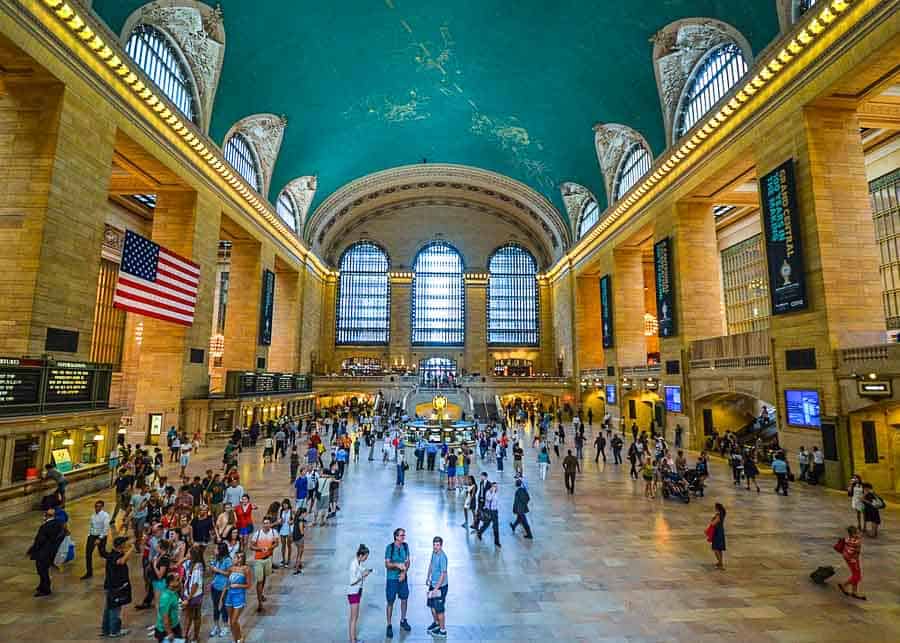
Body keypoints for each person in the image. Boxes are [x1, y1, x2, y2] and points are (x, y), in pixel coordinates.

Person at [100, 535, 133, 638]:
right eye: (125, 545)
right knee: (115, 609)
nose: (126, 546)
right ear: (121, 546)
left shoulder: (113, 553)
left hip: (111, 586)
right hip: (116, 587)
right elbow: (122, 561)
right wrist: (131, 549)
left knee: (108, 608)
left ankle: (106, 630)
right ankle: (114, 631)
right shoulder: (115, 556)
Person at [28, 507, 65, 596]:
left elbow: (39, 540)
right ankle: (42, 586)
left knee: (42, 571)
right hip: (50, 552)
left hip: (43, 553)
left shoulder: (45, 527)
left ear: (47, 516)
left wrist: (32, 549)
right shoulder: (58, 523)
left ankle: (45, 589)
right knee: (44, 570)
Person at [384, 527, 412, 638]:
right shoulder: (389, 548)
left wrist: (404, 572)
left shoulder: (406, 546)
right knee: (390, 601)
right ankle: (389, 625)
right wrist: (396, 565)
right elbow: (387, 564)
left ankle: (403, 620)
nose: (403, 537)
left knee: (404, 599)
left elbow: (408, 561)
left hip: (403, 578)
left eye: (404, 535)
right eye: (401, 535)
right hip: (392, 579)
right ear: (396, 537)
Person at [249, 517, 278, 611]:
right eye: (265, 523)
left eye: (268, 523)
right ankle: (259, 603)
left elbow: (276, 543)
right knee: (259, 580)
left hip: (268, 559)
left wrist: (269, 548)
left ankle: (261, 594)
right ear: (262, 524)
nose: (266, 525)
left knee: (264, 577)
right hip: (258, 560)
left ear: (270, 524)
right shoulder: (257, 534)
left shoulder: (273, 532)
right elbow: (251, 546)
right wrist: (260, 549)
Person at [223, 551, 252, 643]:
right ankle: (236, 639)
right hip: (229, 596)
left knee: (234, 621)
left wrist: (237, 586)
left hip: (239, 596)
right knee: (231, 621)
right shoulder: (231, 568)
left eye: (235, 557)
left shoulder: (246, 569)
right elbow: (227, 582)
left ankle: (240, 638)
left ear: (240, 559)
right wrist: (222, 597)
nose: (233, 559)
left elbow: (248, 585)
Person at [181, 544, 206, 643]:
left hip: (194, 595)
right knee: (188, 615)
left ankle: (195, 636)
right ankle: (185, 635)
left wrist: (188, 598)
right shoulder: (189, 563)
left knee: (196, 616)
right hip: (188, 593)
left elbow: (195, 585)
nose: (186, 554)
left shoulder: (198, 567)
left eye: (188, 553)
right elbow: (178, 564)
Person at [348, 544, 372, 643]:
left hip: (357, 592)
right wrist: (363, 575)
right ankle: (353, 640)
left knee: (355, 616)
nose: (366, 559)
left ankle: (354, 638)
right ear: (361, 555)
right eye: (365, 557)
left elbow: (361, 570)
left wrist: (367, 571)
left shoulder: (358, 562)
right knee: (354, 617)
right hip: (353, 593)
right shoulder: (353, 564)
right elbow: (352, 581)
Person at [425, 537, 449, 638]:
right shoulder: (434, 553)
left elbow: (443, 575)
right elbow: (431, 564)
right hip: (433, 584)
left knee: (439, 609)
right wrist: (428, 576)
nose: (435, 547)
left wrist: (436, 589)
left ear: (441, 545)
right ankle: (436, 623)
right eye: (434, 545)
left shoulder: (443, 557)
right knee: (432, 606)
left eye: (438, 545)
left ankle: (442, 630)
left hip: (440, 587)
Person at [82, 499, 111, 579]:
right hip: (92, 536)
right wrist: (89, 535)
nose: (97, 508)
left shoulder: (105, 515)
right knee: (88, 554)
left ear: (102, 507)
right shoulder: (93, 515)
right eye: (96, 506)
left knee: (102, 553)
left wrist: (100, 538)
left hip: (101, 536)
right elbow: (92, 526)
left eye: (99, 506)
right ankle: (89, 572)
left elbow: (106, 528)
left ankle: (112, 557)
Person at [209, 541, 233, 638]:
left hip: (224, 587)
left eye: (216, 549)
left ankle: (225, 626)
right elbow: (213, 571)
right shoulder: (217, 559)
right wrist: (212, 569)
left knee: (223, 607)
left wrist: (217, 570)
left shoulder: (228, 560)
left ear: (221, 550)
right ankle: (216, 626)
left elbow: (229, 573)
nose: (214, 550)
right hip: (215, 586)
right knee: (215, 607)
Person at [837, 526, 865, 600]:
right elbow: (857, 552)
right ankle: (844, 585)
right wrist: (855, 561)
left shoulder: (847, 539)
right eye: (857, 532)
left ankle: (854, 592)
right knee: (857, 576)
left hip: (846, 557)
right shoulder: (857, 541)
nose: (859, 533)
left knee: (855, 574)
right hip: (853, 559)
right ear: (853, 534)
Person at [154, 572, 183, 642]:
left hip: (175, 625)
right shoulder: (166, 597)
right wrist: (169, 632)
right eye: (177, 580)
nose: (180, 581)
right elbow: (165, 617)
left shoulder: (174, 592)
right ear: (171, 583)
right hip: (165, 630)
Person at [477, 482, 501, 548]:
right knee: (486, 524)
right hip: (489, 511)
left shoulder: (496, 493)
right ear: (491, 487)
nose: (496, 488)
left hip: (495, 511)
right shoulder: (488, 493)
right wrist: (493, 492)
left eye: (496, 486)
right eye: (495, 486)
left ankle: (497, 542)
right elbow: (489, 499)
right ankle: (479, 532)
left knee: (496, 526)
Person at [709, 503, 727, 570]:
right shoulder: (722, 513)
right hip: (721, 531)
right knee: (719, 549)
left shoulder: (718, 515)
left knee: (715, 548)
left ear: (717, 508)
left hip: (717, 533)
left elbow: (713, 524)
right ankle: (720, 562)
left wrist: (712, 520)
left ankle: (720, 564)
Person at [292, 507, 308, 575]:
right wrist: (305, 533)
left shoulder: (296, 518)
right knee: (299, 554)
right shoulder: (301, 521)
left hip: (295, 538)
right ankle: (297, 569)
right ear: (303, 513)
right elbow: (301, 532)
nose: (306, 514)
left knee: (299, 552)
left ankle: (297, 564)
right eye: (305, 513)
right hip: (300, 538)